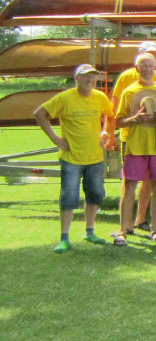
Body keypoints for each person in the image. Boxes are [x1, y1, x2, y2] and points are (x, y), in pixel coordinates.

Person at [34, 64, 116, 253]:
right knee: (69, 196)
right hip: (71, 158)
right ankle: (64, 238)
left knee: (95, 194)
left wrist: (105, 131)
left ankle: (90, 232)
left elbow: (110, 116)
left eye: (93, 77)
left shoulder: (100, 97)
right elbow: (39, 114)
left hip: (95, 157)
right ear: (76, 79)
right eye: (85, 76)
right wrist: (55, 139)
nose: (90, 80)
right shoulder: (65, 98)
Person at [114, 53, 156, 245]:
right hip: (135, 146)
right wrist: (135, 119)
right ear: (137, 68)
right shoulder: (129, 91)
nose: (147, 69)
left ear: (155, 68)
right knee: (129, 187)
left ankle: (155, 229)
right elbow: (118, 121)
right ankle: (123, 229)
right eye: (144, 66)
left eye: (150, 66)